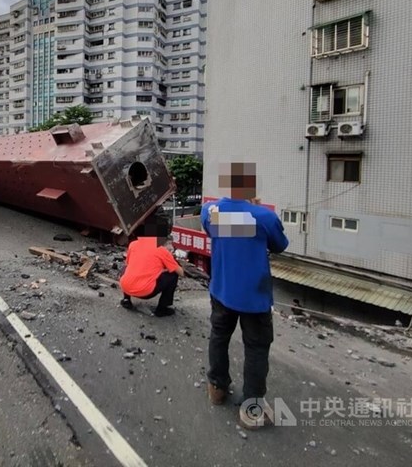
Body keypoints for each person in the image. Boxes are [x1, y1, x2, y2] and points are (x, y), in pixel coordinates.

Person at [199, 162, 289, 429]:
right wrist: (255, 208)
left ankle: (217, 388)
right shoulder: (263, 218)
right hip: (254, 298)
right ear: (250, 187)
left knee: (219, 337)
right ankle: (251, 409)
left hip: (222, 290)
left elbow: (218, 227)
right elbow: (280, 246)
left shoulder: (210, 212)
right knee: (257, 348)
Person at [119, 212, 185, 317]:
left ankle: (126, 299)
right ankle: (162, 309)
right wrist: (171, 265)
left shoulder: (133, 244)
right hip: (146, 292)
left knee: (125, 268)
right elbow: (181, 273)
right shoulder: (162, 250)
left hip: (126, 286)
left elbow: (128, 263)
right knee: (173, 275)